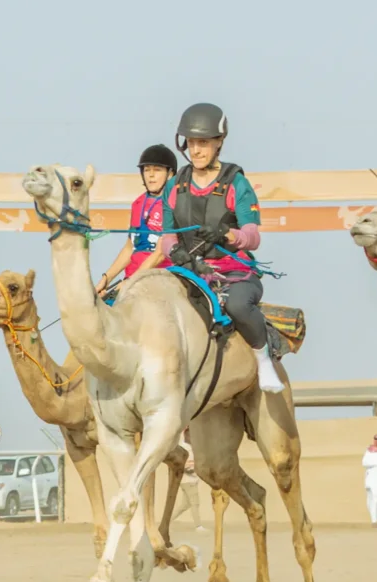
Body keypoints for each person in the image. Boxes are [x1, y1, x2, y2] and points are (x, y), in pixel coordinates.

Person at [139, 103, 282, 392]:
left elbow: (253, 236)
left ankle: (263, 357)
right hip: (189, 270)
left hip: (232, 272)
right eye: (192, 143)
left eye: (203, 143)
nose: (196, 150)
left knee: (238, 305)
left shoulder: (236, 183)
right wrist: (175, 252)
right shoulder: (174, 186)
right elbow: (168, 236)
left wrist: (228, 234)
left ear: (219, 143)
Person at [101, 143, 179, 289]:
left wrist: (132, 282)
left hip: (163, 277)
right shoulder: (137, 203)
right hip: (132, 279)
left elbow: (160, 253)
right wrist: (105, 280)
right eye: (146, 169)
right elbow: (130, 247)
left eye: (157, 170)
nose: (150, 175)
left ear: (170, 174)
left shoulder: (176, 204)